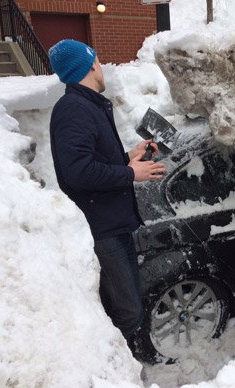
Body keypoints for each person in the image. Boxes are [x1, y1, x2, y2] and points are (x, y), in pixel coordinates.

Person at [48, 39, 166, 341]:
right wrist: (129, 173)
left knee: (121, 305)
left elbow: (93, 161)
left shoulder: (88, 105)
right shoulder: (74, 109)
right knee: (130, 311)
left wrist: (130, 156)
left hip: (113, 223)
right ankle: (116, 368)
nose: (102, 68)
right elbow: (78, 172)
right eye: (98, 61)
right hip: (104, 229)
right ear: (90, 66)